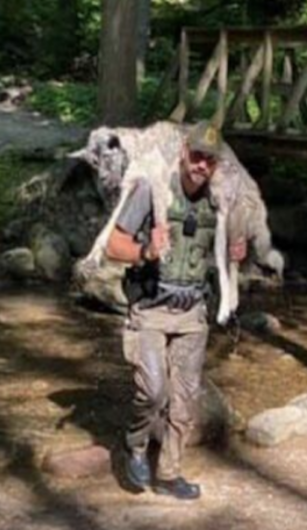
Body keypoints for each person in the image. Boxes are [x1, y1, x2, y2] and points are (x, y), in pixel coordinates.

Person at [106, 121, 246, 500]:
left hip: (192, 313)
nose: (202, 165)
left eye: (210, 160)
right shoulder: (150, 190)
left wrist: (237, 251)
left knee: (184, 403)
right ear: (184, 151)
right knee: (153, 391)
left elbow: (227, 242)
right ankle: (133, 444)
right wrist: (146, 252)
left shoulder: (220, 199)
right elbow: (113, 247)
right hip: (150, 308)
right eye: (197, 156)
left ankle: (169, 473)